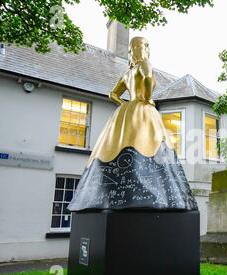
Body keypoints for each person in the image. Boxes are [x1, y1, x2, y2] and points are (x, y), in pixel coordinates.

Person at [68, 37, 197, 212]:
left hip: (126, 112)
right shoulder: (145, 64)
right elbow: (147, 77)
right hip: (143, 109)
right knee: (152, 143)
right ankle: (160, 196)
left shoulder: (126, 74)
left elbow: (112, 94)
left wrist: (124, 105)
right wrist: (147, 98)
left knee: (117, 144)